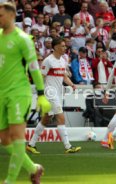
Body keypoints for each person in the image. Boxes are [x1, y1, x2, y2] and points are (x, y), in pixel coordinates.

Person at [0, 2, 51, 183]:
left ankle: (10, 180)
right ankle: (33, 168)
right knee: (4, 139)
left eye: (1, 15)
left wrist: (41, 94)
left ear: (12, 15)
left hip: (18, 93)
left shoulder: (22, 39)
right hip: (1, 93)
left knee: (17, 136)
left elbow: (34, 68)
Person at [27, 38, 81, 154]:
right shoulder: (48, 61)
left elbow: (64, 76)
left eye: (65, 46)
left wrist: (72, 85)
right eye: (62, 46)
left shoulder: (62, 60)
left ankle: (31, 144)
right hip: (50, 93)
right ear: (55, 47)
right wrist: (40, 94)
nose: (65, 48)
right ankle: (68, 146)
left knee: (45, 119)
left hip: (57, 93)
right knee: (61, 118)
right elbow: (40, 77)